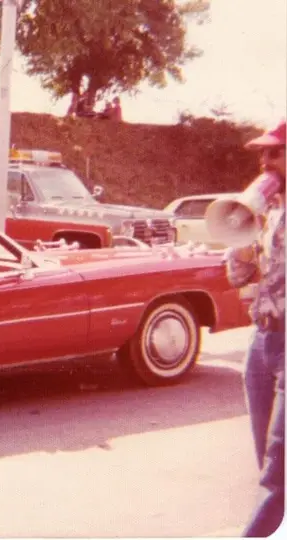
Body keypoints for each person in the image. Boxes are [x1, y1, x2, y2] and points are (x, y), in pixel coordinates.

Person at [225, 119, 285, 537]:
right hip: (263, 339)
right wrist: (241, 235)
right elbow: (238, 275)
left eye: (275, 153)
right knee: (265, 455)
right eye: (262, 154)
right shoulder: (269, 212)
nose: (265, 162)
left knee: (277, 471)